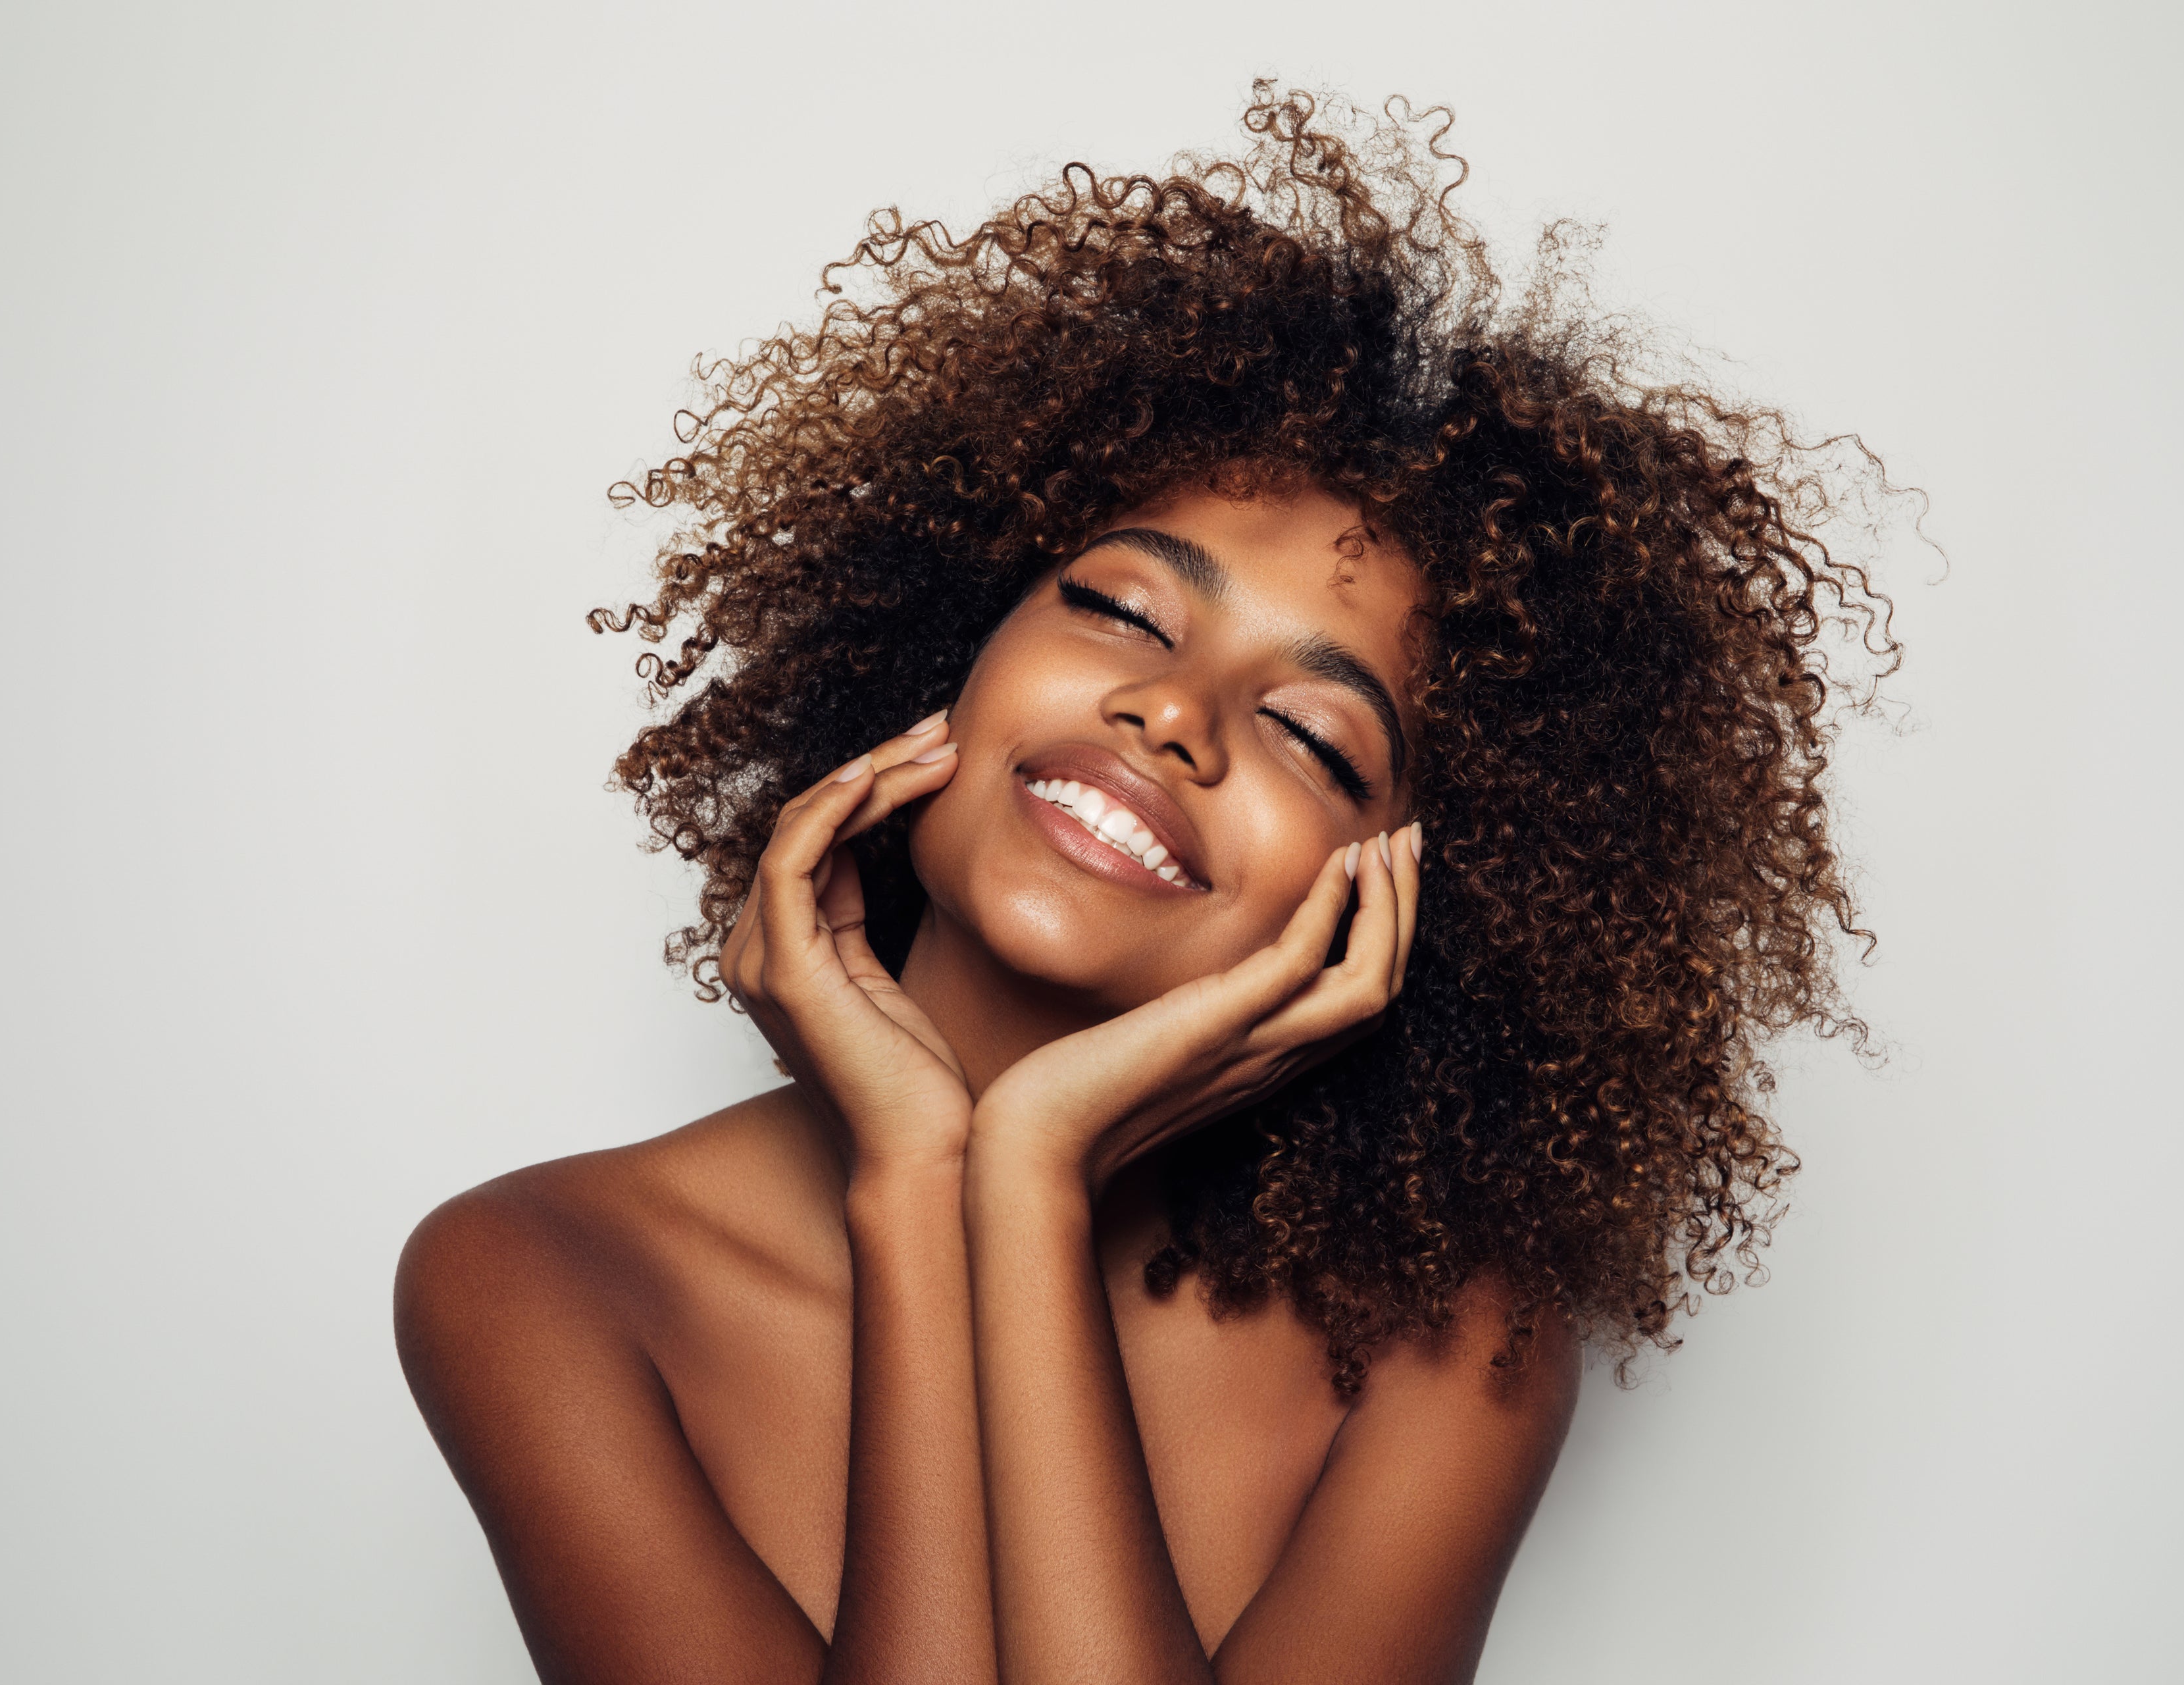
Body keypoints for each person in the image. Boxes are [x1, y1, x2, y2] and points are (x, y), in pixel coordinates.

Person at [394, 87, 1890, 1684]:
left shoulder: (1447, 1346)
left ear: (1404, 892)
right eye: (1119, 607)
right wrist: (923, 1178)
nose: (1174, 716)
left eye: (1316, 737)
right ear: (949, 646)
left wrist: (1019, 1180)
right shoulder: (544, 1274)